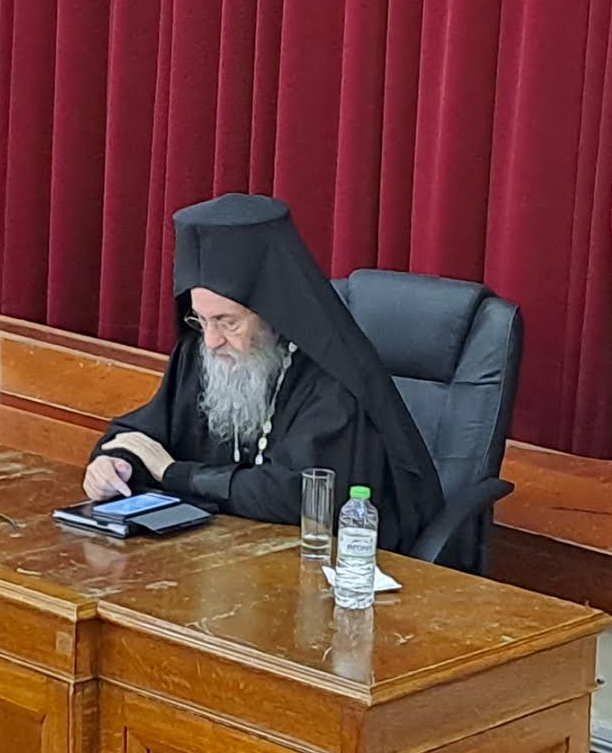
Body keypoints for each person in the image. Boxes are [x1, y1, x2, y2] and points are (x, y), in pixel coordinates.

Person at [83, 193, 443, 552]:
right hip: (221, 555)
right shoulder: (201, 353)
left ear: (273, 312)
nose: (211, 340)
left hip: (324, 561)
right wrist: (117, 463)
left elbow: (299, 494)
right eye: (201, 320)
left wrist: (173, 473)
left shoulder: (331, 377)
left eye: (228, 322)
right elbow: (145, 432)